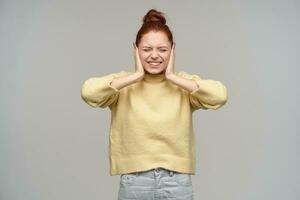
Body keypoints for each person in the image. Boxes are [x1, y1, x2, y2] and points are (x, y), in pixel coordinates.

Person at [80, 8, 228, 200]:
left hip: (177, 180)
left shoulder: (183, 84)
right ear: (136, 49)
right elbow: (88, 92)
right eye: (147, 49)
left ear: (173, 50)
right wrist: (135, 76)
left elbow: (220, 95)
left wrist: (173, 77)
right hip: (135, 179)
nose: (154, 56)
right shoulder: (123, 83)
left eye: (163, 49)